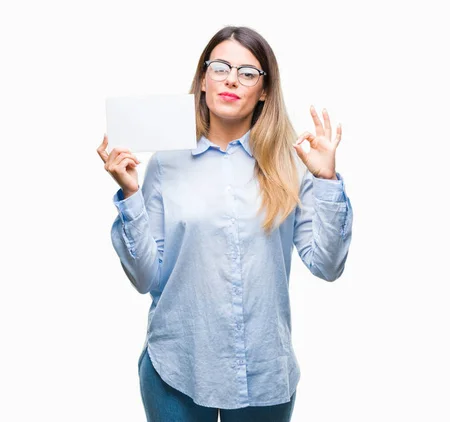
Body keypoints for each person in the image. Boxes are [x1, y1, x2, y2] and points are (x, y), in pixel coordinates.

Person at [97, 25, 353, 422]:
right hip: (177, 367)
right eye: (220, 68)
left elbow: (328, 265)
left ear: (264, 90)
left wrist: (327, 181)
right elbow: (145, 278)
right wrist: (130, 195)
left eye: (248, 72)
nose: (232, 79)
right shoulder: (166, 164)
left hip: (265, 372)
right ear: (203, 80)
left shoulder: (289, 164)